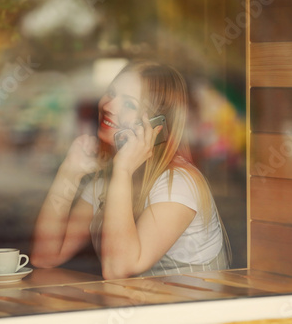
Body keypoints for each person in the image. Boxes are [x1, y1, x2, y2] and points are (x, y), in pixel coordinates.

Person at [31, 60, 231, 279]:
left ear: (157, 126)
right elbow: (45, 256)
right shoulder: (107, 179)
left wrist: (123, 170)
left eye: (129, 105)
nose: (108, 106)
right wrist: (69, 172)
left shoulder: (178, 184)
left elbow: (118, 269)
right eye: (111, 93)